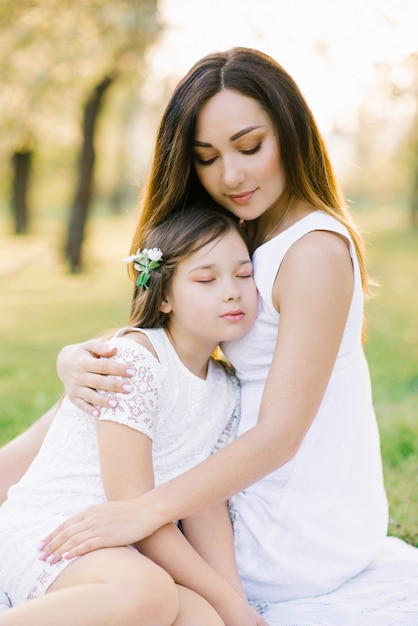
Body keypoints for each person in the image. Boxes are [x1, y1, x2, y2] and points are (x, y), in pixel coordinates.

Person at [2, 47, 418, 624]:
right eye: (207, 158)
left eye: (250, 147)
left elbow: (278, 436)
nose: (231, 176)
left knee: (126, 411)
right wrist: (76, 359)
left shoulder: (314, 252)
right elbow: (165, 344)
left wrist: (145, 511)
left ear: (291, 131)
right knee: (120, 380)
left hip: (278, 519)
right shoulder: (243, 235)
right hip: (208, 483)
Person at [0, 205, 268, 626]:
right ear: (163, 296)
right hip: (56, 534)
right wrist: (229, 602)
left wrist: (234, 602)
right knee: (149, 594)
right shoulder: (135, 361)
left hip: (125, 548)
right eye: (206, 279)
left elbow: (204, 502)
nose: (232, 290)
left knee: (207, 621)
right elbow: (133, 505)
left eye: (243, 274)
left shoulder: (226, 388)